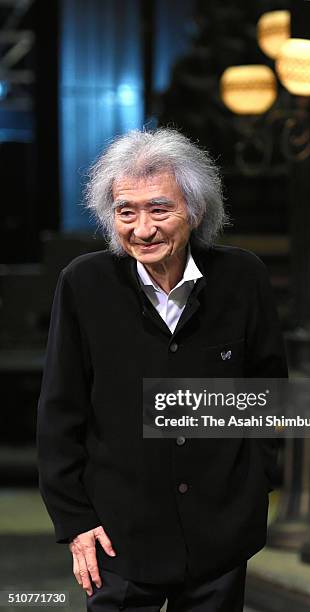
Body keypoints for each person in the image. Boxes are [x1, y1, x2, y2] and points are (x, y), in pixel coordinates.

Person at [37, 128, 287, 611]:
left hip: (220, 535)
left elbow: (268, 391)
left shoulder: (242, 277)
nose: (142, 228)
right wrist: (74, 521)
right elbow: (59, 411)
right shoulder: (84, 284)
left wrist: (256, 485)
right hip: (118, 540)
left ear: (194, 211)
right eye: (126, 211)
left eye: (159, 209)